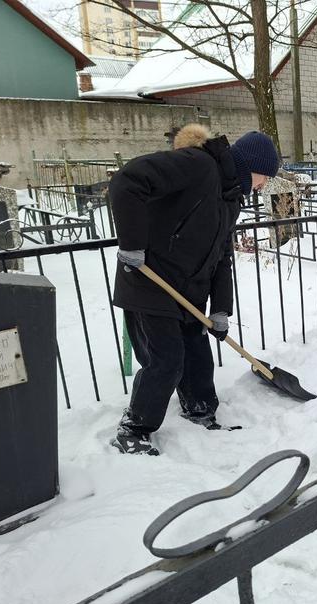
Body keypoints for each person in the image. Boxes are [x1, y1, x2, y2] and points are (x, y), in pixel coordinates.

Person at [108, 124, 279, 456]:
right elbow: (126, 181)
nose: (264, 185)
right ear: (251, 166)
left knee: (197, 355)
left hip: (188, 292)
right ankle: (134, 428)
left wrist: (220, 308)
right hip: (150, 281)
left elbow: (222, 256)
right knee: (166, 361)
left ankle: (201, 411)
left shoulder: (231, 198)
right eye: (265, 176)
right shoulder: (197, 165)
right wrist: (132, 244)